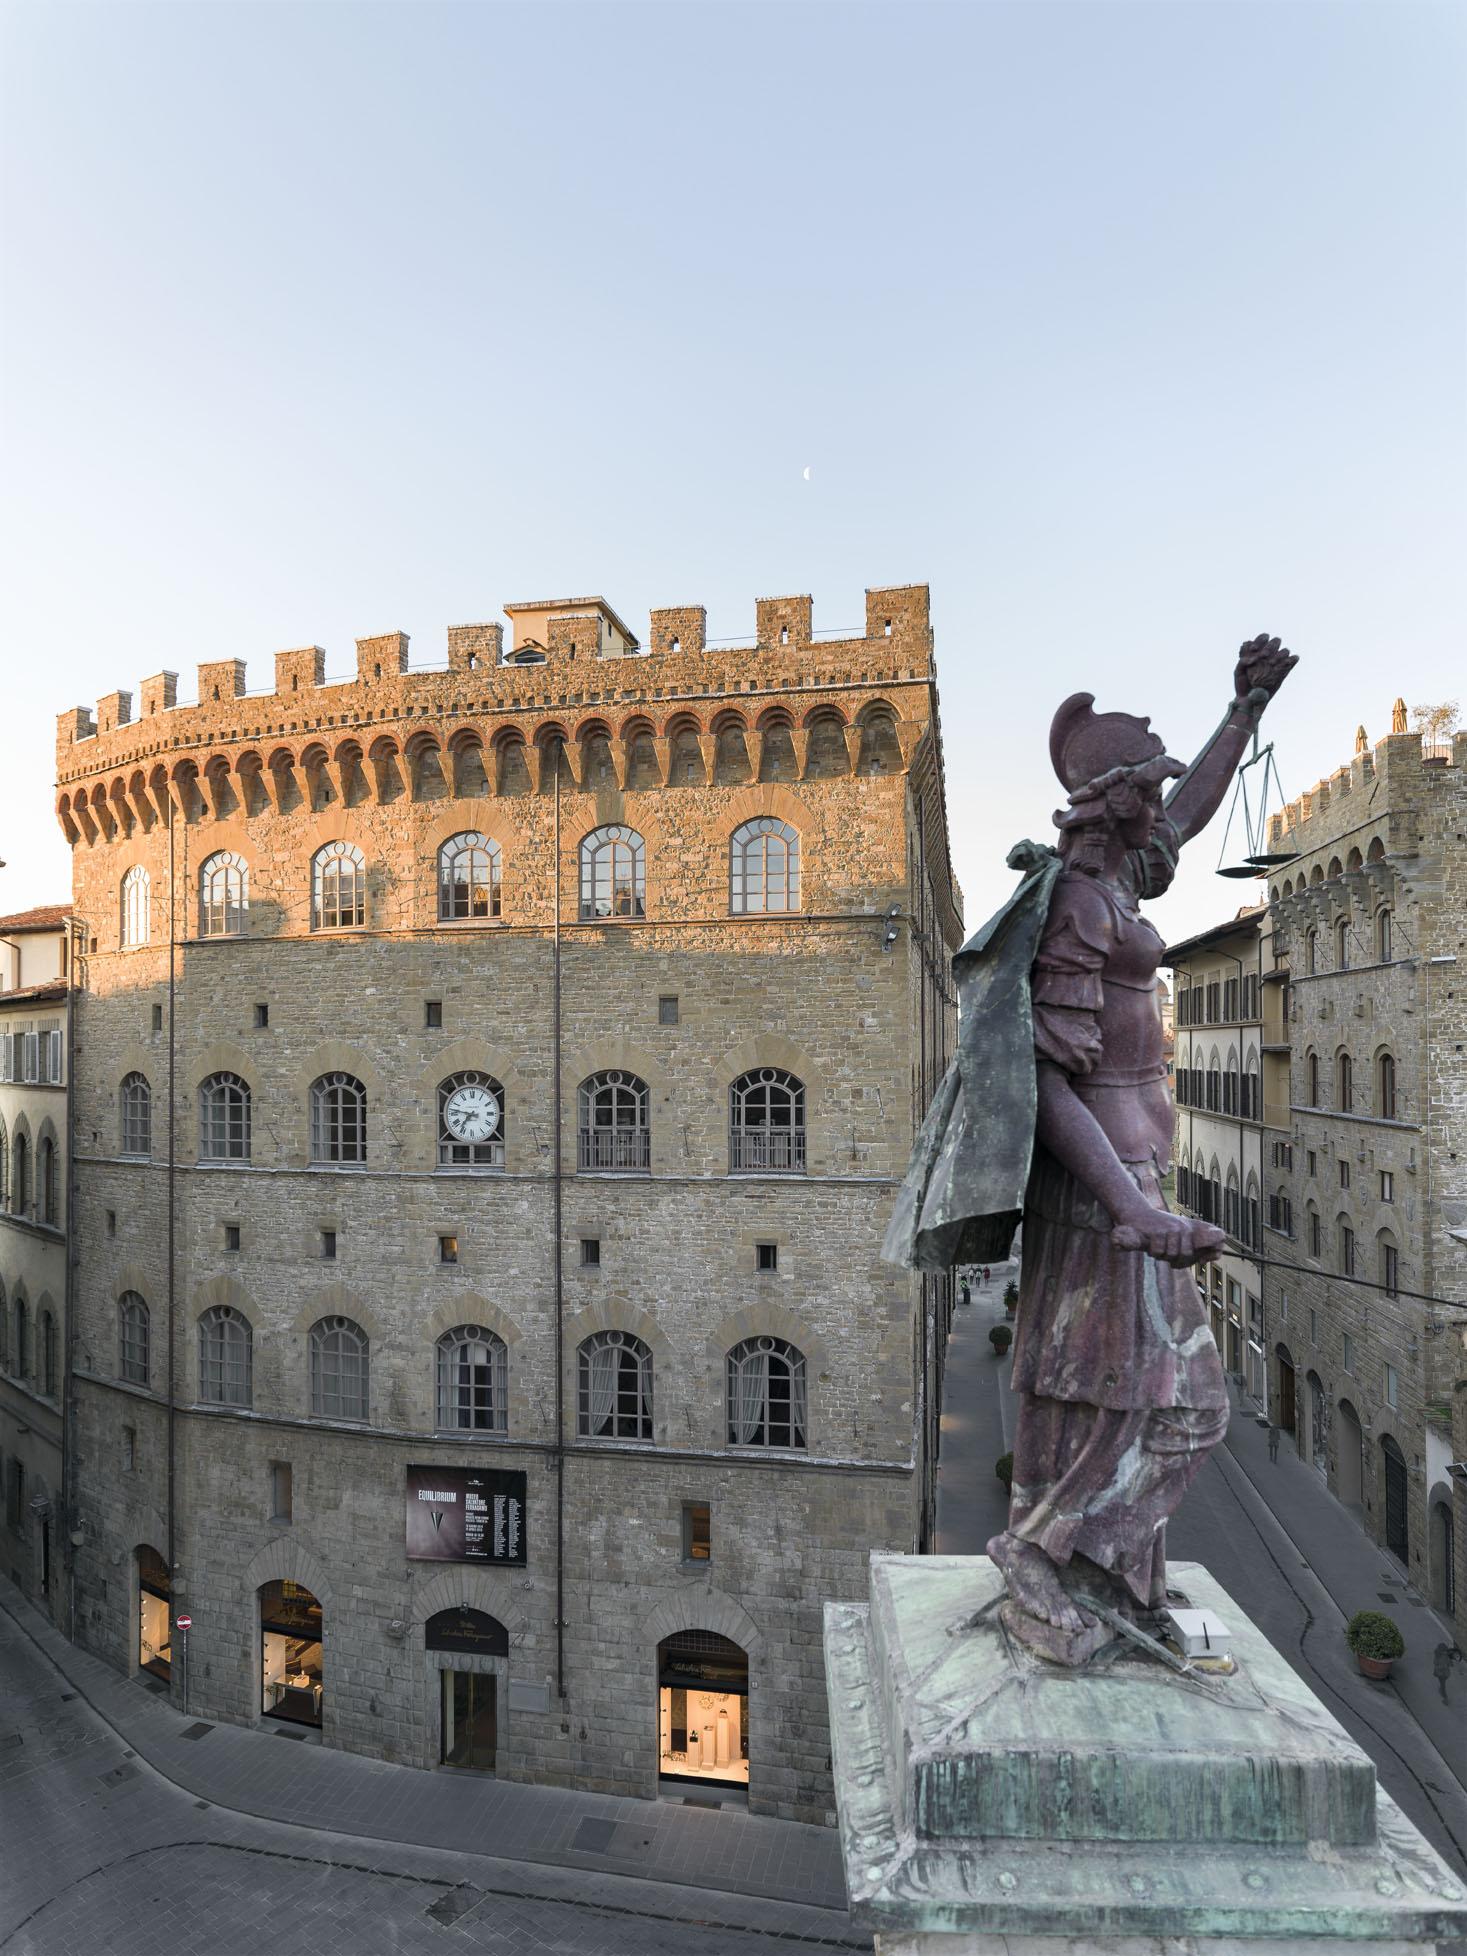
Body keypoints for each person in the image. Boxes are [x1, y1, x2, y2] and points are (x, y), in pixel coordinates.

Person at [885, 634, 1296, 1659]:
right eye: (1147, 790)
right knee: (1179, 1403)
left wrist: (1242, 713)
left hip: (1130, 1177)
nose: (1162, 805)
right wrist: (1134, 1211)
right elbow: (1048, 1079)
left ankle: (1102, 1572)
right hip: (1102, 1190)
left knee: (1115, 1394)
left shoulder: (1118, 885)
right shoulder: (1076, 906)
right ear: (1114, 805)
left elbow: (1191, 814)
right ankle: (1044, 1550)